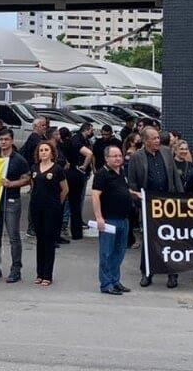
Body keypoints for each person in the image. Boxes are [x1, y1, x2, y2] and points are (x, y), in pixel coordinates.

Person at [126, 127, 183, 288]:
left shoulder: (166, 153)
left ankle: (172, 274)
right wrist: (139, 202)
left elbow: (175, 178)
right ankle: (147, 273)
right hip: (149, 205)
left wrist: (181, 199)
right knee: (149, 240)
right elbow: (132, 183)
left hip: (169, 204)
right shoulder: (136, 157)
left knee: (171, 239)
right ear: (145, 141)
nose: (158, 140)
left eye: (158, 138)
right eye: (154, 138)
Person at [0, 129, 31, 283]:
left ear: (11, 141)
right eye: (1, 139)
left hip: (12, 201)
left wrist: (11, 184)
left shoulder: (19, 159)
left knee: (13, 237)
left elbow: (27, 179)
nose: (3, 142)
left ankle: (16, 269)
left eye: (6, 139)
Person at [92, 145, 138, 295]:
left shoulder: (121, 172)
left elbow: (123, 189)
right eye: (114, 156)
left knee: (119, 252)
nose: (118, 158)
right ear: (106, 158)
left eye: (120, 155)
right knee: (107, 253)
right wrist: (99, 217)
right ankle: (106, 283)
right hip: (109, 220)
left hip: (124, 219)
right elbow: (95, 196)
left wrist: (135, 194)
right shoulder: (101, 174)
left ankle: (115, 280)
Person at [29, 141, 67, 287]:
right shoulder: (34, 168)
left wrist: (57, 204)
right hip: (37, 208)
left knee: (49, 241)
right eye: (41, 150)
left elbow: (65, 189)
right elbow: (33, 187)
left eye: (46, 150)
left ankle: (47, 275)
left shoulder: (57, 169)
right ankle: (39, 273)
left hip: (51, 209)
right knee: (40, 240)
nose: (43, 152)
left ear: (52, 153)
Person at [65, 123, 94, 241]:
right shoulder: (77, 141)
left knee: (74, 202)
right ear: (86, 130)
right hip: (76, 172)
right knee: (75, 203)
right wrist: (84, 166)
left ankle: (74, 229)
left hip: (75, 172)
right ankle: (75, 231)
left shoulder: (78, 140)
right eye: (91, 130)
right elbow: (89, 154)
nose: (92, 132)